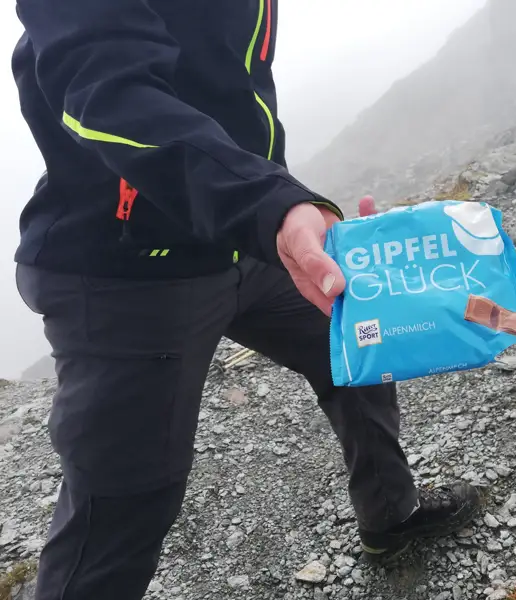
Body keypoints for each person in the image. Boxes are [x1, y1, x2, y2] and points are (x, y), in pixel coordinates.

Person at [10, 0, 481, 598]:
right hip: (127, 272)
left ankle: (392, 517)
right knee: (122, 501)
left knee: (354, 343)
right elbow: (103, 91)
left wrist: (281, 207)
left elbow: (231, 92)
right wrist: (269, 204)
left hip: (244, 240)